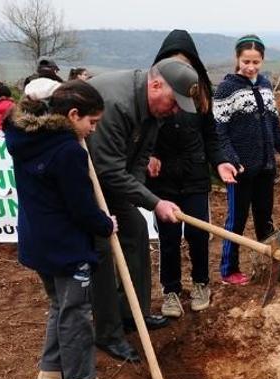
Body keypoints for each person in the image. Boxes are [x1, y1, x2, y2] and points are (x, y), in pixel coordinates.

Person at [4, 80, 120, 379]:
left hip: (37, 240)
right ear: (72, 115)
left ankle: (52, 370)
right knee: (76, 311)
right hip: (66, 246)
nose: (94, 130)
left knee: (60, 303)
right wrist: (105, 224)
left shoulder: (26, 138)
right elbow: (81, 208)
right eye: (91, 122)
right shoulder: (68, 151)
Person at [85, 57, 199, 362]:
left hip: (112, 180)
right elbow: (106, 169)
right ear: (156, 84)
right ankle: (108, 333)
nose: (175, 110)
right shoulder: (115, 104)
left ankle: (133, 313)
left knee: (135, 228)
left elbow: (139, 157)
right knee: (104, 248)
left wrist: (135, 198)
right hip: (84, 182)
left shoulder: (154, 109)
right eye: (174, 102)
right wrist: (154, 201)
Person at [148, 29, 238, 317]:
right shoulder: (154, 94)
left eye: (185, 64)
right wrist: (148, 155)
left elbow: (211, 136)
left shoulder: (199, 94)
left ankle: (201, 283)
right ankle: (171, 290)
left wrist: (219, 162)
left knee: (199, 235)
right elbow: (143, 133)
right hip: (165, 179)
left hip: (196, 176)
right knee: (169, 238)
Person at [214, 34, 280, 285]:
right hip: (240, 170)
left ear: (263, 60)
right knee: (236, 221)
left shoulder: (265, 85)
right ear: (237, 59)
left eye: (256, 61)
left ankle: (268, 264)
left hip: (266, 168)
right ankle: (228, 270)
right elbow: (219, 132)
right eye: (246, 61)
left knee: (264, 218)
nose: (251, 67)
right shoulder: (227, 89)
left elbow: (275, 130)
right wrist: (231, 159)